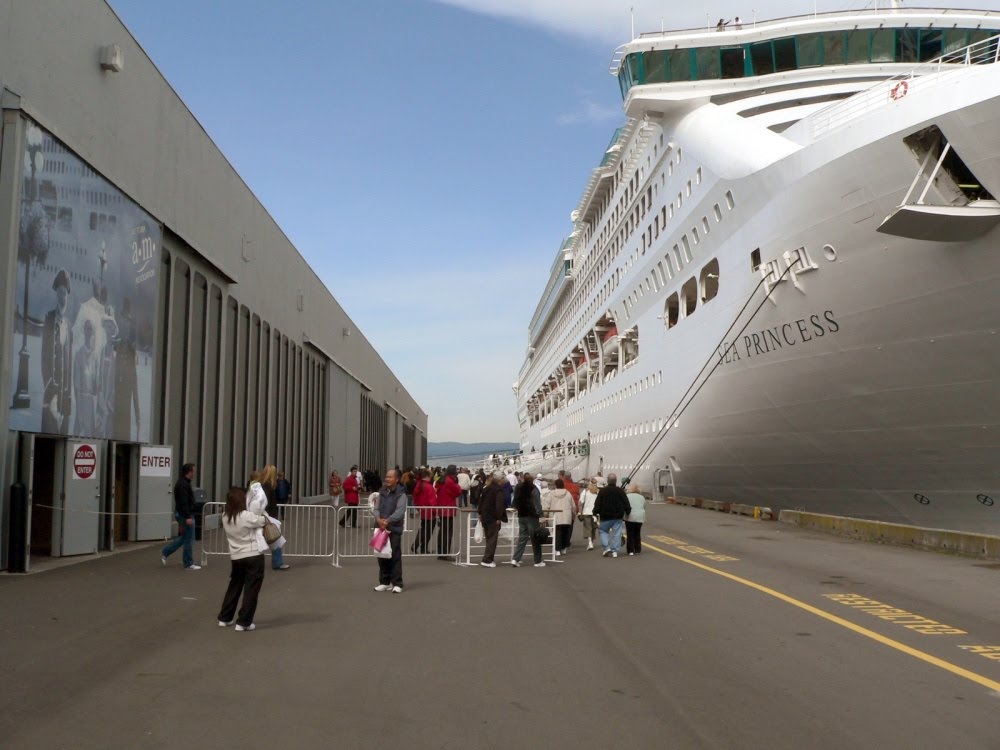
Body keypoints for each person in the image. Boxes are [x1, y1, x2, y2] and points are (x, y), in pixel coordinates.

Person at [216, 486, 267, 631]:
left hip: (236, 556)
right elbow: (263, 520)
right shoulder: (246, 516)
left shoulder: (225, 516)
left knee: (234, 586)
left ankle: (225, 617)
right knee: (251, 589)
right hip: (252, 554)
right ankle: (244, 621)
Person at [41, 268, 73, 435]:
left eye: (65, 294)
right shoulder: (49, 319)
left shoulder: (69, 326)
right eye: (60, 293)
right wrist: (48, 385)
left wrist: (68, 396)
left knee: (63, 440)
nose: (63, 297)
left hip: (64, 396)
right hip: (51, 391)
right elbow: (44, 357)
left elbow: (70, 365)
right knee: (47, 434)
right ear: (56, 295)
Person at [161, 462, 201, 570]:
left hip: (182, 514)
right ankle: (188, 563)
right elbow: (183, 502)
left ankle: (166, 552)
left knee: (185, 537)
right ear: (189, 472)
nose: (195, 473)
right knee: (189, 539)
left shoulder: (182, 483)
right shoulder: (183, 485)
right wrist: (188, 516)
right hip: (185, 515)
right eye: (194, 471)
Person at [374, 468, 407, 593]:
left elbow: (400, 511)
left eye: (390, 477)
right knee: (381, 555)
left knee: (394, 555)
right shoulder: (382, 492)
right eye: (386, 477)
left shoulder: (401, 494)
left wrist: (387, 521)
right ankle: (384, 582)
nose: (387, 479)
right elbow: (376, 508)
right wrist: (378, 519)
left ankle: (397, 583)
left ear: (397, 479)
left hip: (394, 528)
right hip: (380, 528)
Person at [113, 297, 140, 440]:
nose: (125, 324)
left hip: (125, 411)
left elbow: (135, 387)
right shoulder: (115, 348)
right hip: (114, 408)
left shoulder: (130, 350)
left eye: (127, 321)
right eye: (123, 320)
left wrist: (138, 416)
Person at [511, 473, 546, 568]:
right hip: (531, 516)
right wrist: (541, 516)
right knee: (535, 538)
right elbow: (537, 504)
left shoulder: (519, 488)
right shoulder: (534, 489)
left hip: (521, 515)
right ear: (532, 480)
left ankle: (515, 559)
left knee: (522, 538)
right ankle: (537, 561)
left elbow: (515, 501)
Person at [259, 465, 289, 570]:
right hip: (268, 517)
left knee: (269, 540)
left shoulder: (262, 485)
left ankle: (277, 562)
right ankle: (277, 562)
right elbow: (267, 503)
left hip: (265, 516)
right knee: (276, 540)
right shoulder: (268, 487)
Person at [593, 473, 631, 559]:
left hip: (605, 516)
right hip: (617, 516)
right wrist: (628, 512)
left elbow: (597, 503)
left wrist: (595, 513)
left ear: (607, 481)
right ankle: (615, 551)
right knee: (616, 533)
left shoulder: (602, 491)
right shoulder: (620, 491)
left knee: (603, 531)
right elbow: (626, 502)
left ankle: (606, 548)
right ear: (616, 481)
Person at [72, 319, 99, 436]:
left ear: (93, 333)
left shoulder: (95, 357)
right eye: (86, 328)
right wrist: (78, 412)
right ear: (84, 331)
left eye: (90, 329)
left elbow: (95, 387)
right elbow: (76, 386)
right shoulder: (78, 355)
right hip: (81, 401)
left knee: (91, 437)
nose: (88, 332)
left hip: (91, 403)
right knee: (77, 434)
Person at [477, 470, 506, 567]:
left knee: (489, 539)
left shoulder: (487, 488)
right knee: (492, 539)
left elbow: (481, 501)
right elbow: (499, 505)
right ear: (500, 480)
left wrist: (480, 513)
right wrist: (499, 517)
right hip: (493, 517)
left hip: (485, 516)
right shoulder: (498, 490)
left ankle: (488, 558)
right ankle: (487, 560)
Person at [96, 311, 118, 437]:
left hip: (111, 399)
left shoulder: (117, 352)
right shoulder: (102, 350)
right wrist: (100, 394)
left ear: (114, 330)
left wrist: (111, 397)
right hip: (101, 397)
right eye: (106, 328)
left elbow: (117, 378)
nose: (108, 331)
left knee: (109, 431)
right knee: (99, 430)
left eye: (110, 328)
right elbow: (99, 375)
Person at [435, 464, 461, 560]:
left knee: (442, 531)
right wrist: (456, 483)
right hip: (448, 508)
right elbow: (458, 491)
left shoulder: (441, 480)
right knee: (447, 532)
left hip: (442, 507)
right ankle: (445, 553)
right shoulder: (450, 481)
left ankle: (441, 552)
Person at [543, 478, 575, 556]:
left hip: (555, 516)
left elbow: (546, 506)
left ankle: (557, 549)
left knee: (557, 533)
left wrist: (545, 516)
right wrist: (573, 514)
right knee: (565, 533)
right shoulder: (568, 493)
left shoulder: (551, 494)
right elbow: (573, 506)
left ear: (555, 485)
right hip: (566, 516)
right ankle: (563, 548)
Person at [412, 469, 438, 554]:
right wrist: (436, 512)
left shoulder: (419, 485)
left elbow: (415, 497)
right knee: (427, 532)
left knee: (424, 529)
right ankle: (420, 546)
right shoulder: (428, 486)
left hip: (423, 510)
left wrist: (418, 508)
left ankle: (420, 547)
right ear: (427, 476)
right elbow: (432, 501)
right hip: (430, 512)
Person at [578, 478, 600, 550]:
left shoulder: (585, 491)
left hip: (586, 512)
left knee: (588, 528)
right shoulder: (598, 492)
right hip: (595, 513)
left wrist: (580, 512)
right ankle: (592, 543)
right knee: (593, 528)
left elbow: (581, 502)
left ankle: (590, 542)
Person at [625, 483, 647, 556]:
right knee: (637, 533)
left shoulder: (627, 496)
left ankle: (630, 550)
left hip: (630, 516)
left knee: (630, 533)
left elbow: (625, 507)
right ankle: (637, 549)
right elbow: (644, 506)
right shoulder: (642, 497)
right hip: (640, 517)